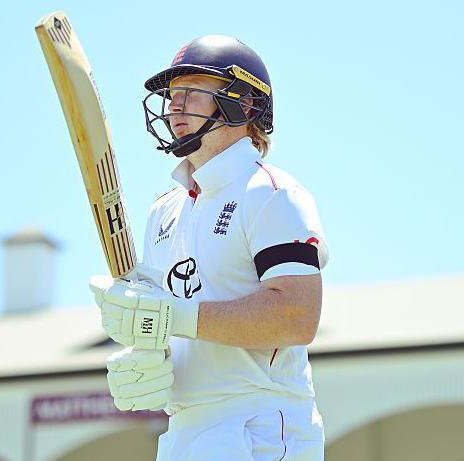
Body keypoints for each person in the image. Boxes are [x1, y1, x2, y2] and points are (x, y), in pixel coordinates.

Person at [89, 34, 329, 461]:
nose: (174, 106)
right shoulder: (164, 210)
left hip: (258, 425)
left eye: (192, 93)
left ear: (244, 104)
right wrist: (147, 359)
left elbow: (296, 317)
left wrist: (173, 317)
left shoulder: (272, 193)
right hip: (184, 430)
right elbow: (165, 320)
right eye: (172, 95)